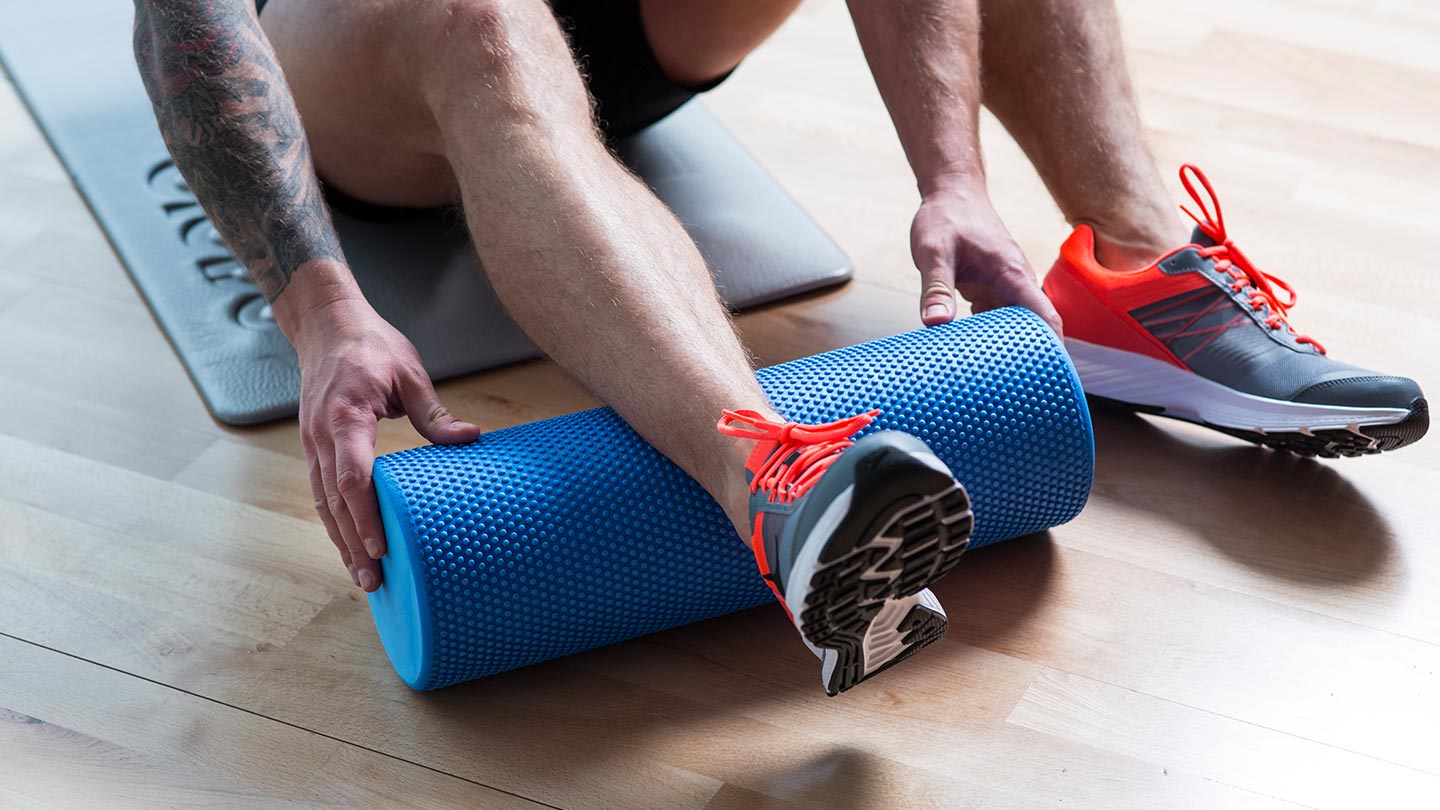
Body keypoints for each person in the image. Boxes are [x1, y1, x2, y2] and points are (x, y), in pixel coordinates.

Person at [131, 0, 1426, 695]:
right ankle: (776, 489)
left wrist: (951, 177)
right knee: (477, 17)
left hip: (625, 23)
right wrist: (321, 310)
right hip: (370, 42)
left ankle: (1139, 280)